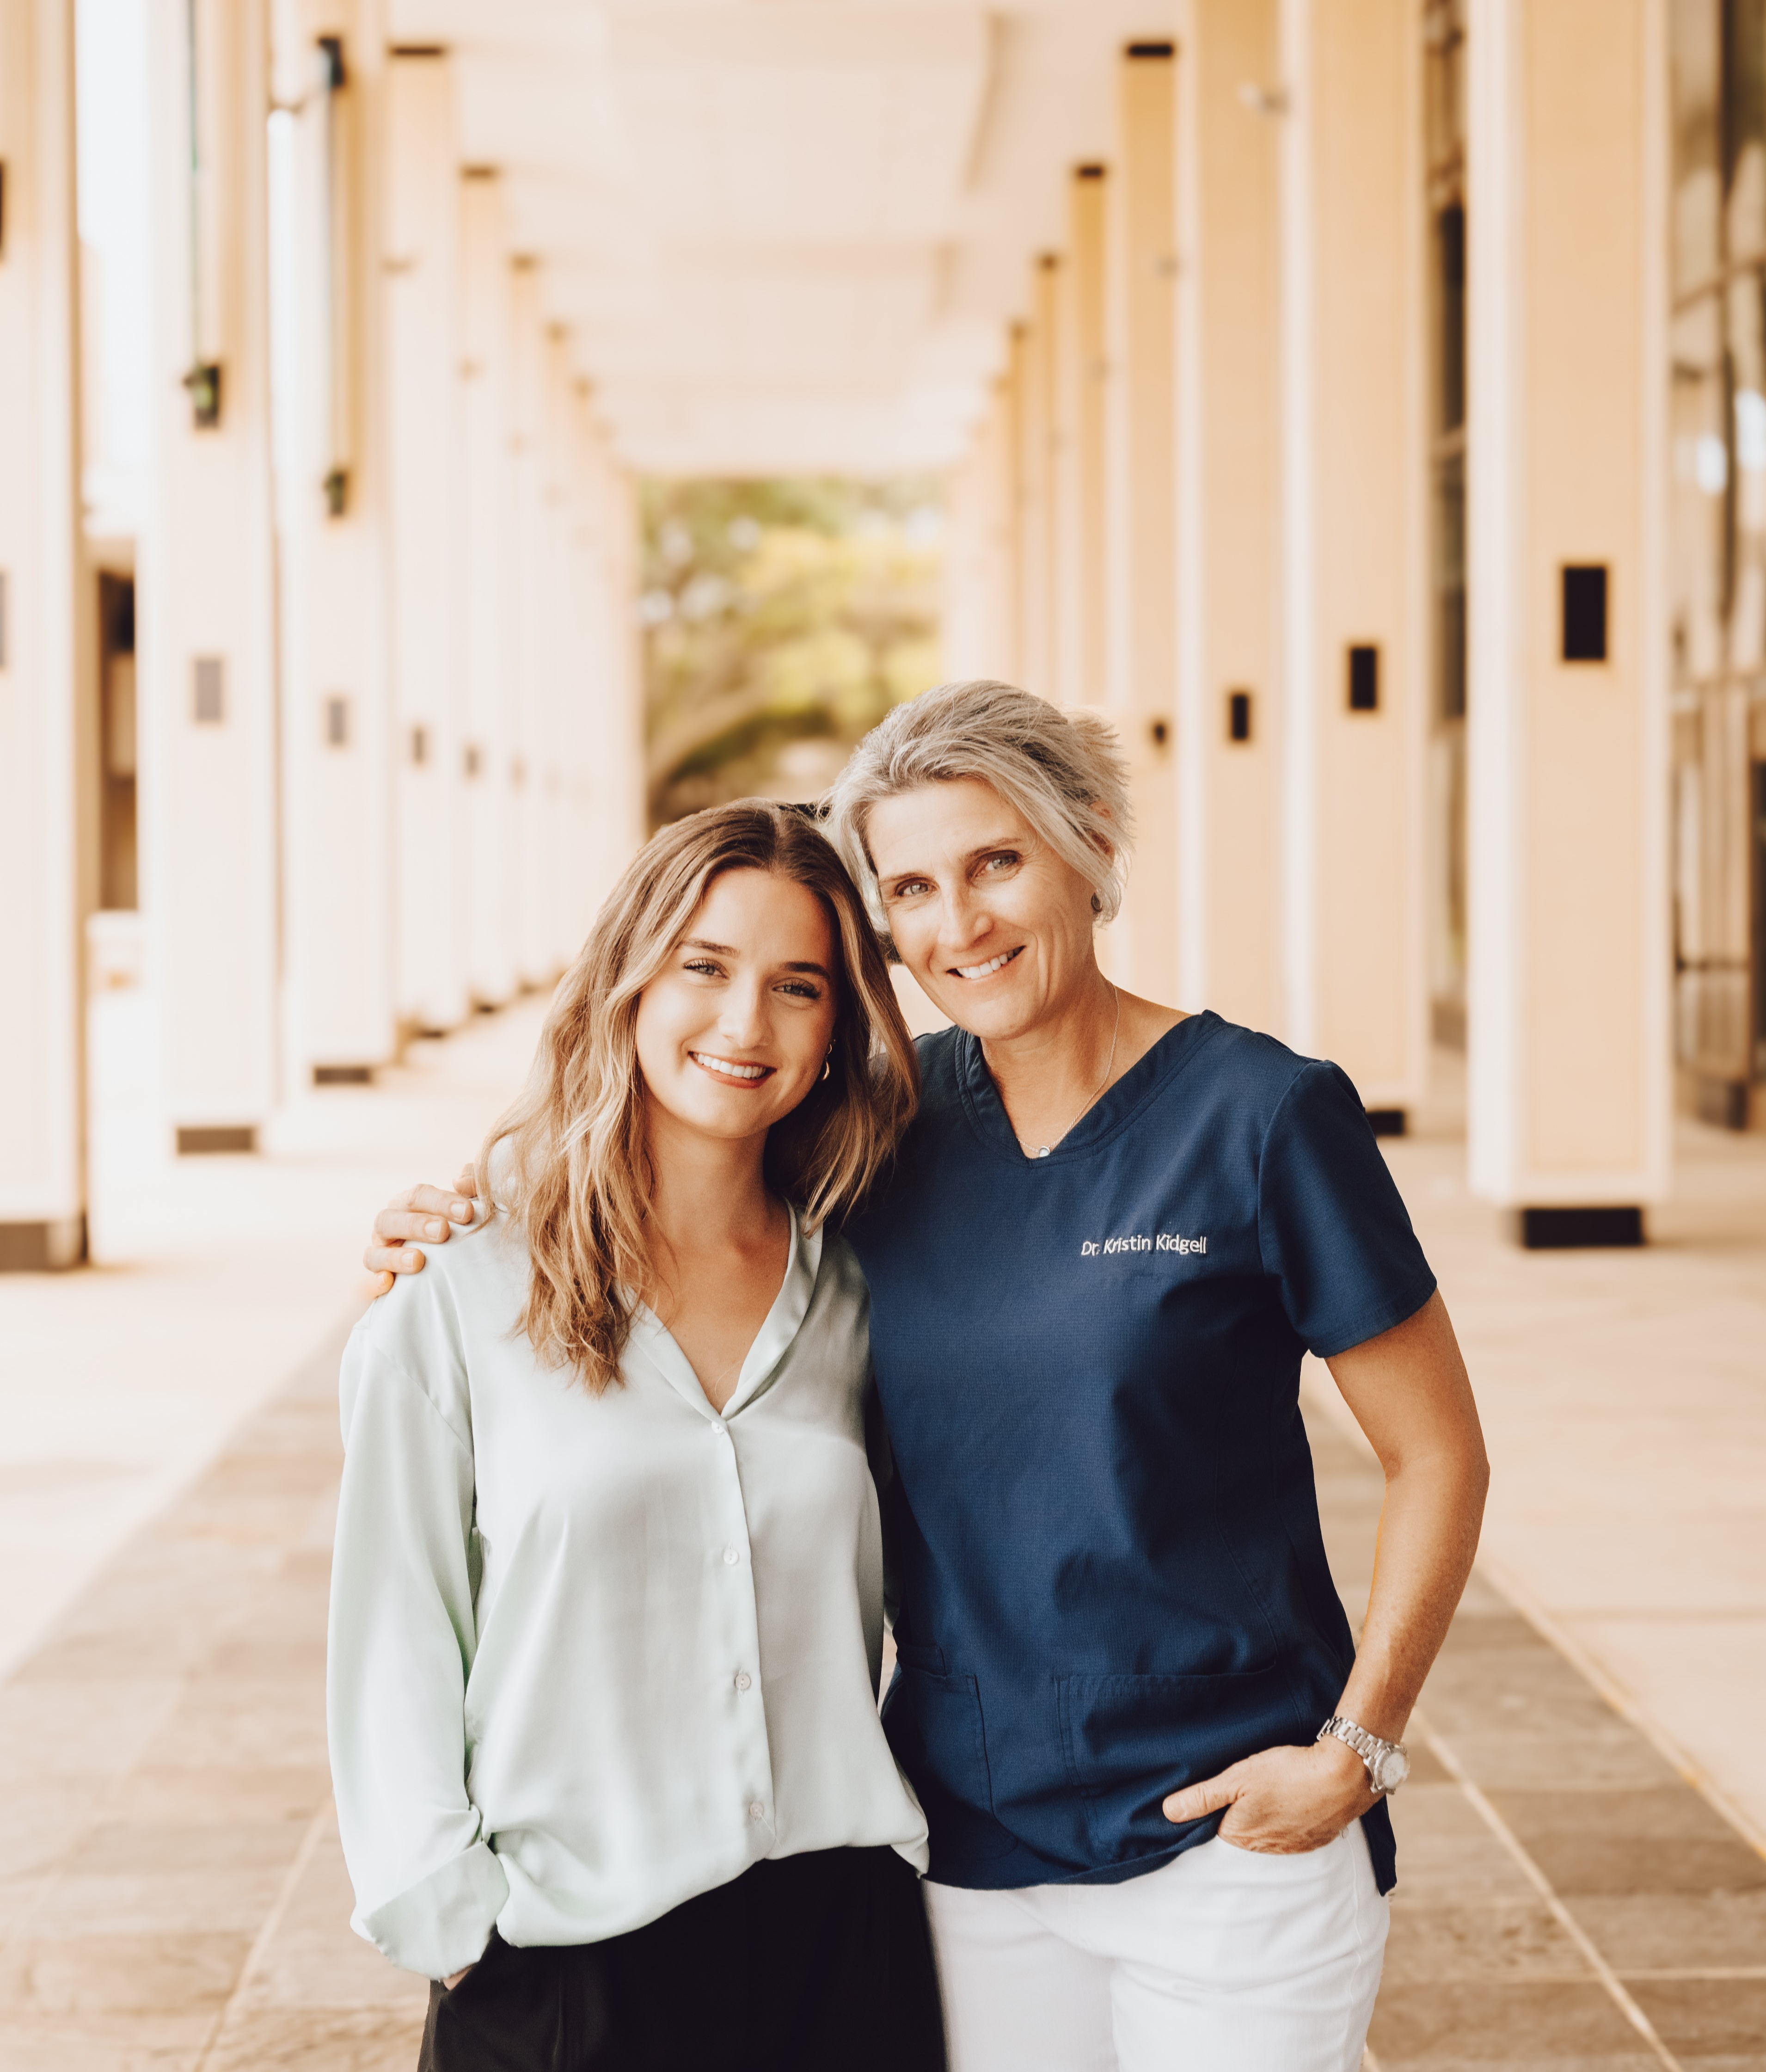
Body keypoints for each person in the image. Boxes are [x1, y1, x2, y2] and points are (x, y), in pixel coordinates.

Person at [368, 682, 1491, 2072]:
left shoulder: (1264, 1117)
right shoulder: (884, 1139)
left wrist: (1359, 1747)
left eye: (997, 862)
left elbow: (1439, 1450)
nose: (959, 923)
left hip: (1231, 1833)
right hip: (970, 1850)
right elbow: (680, 1148)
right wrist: (467, 1211)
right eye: (911, 886)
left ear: (1088, 844)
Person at [331, 801, 944, 2072]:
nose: (744, 1025)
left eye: (798, 986)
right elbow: (396, 1627)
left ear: (839, 1029)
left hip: (840, 1945)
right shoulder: (461, 1284)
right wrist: (453, 1920)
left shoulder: (860, 1287)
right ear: (628, 979)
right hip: (569, 1965)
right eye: (704, 968)